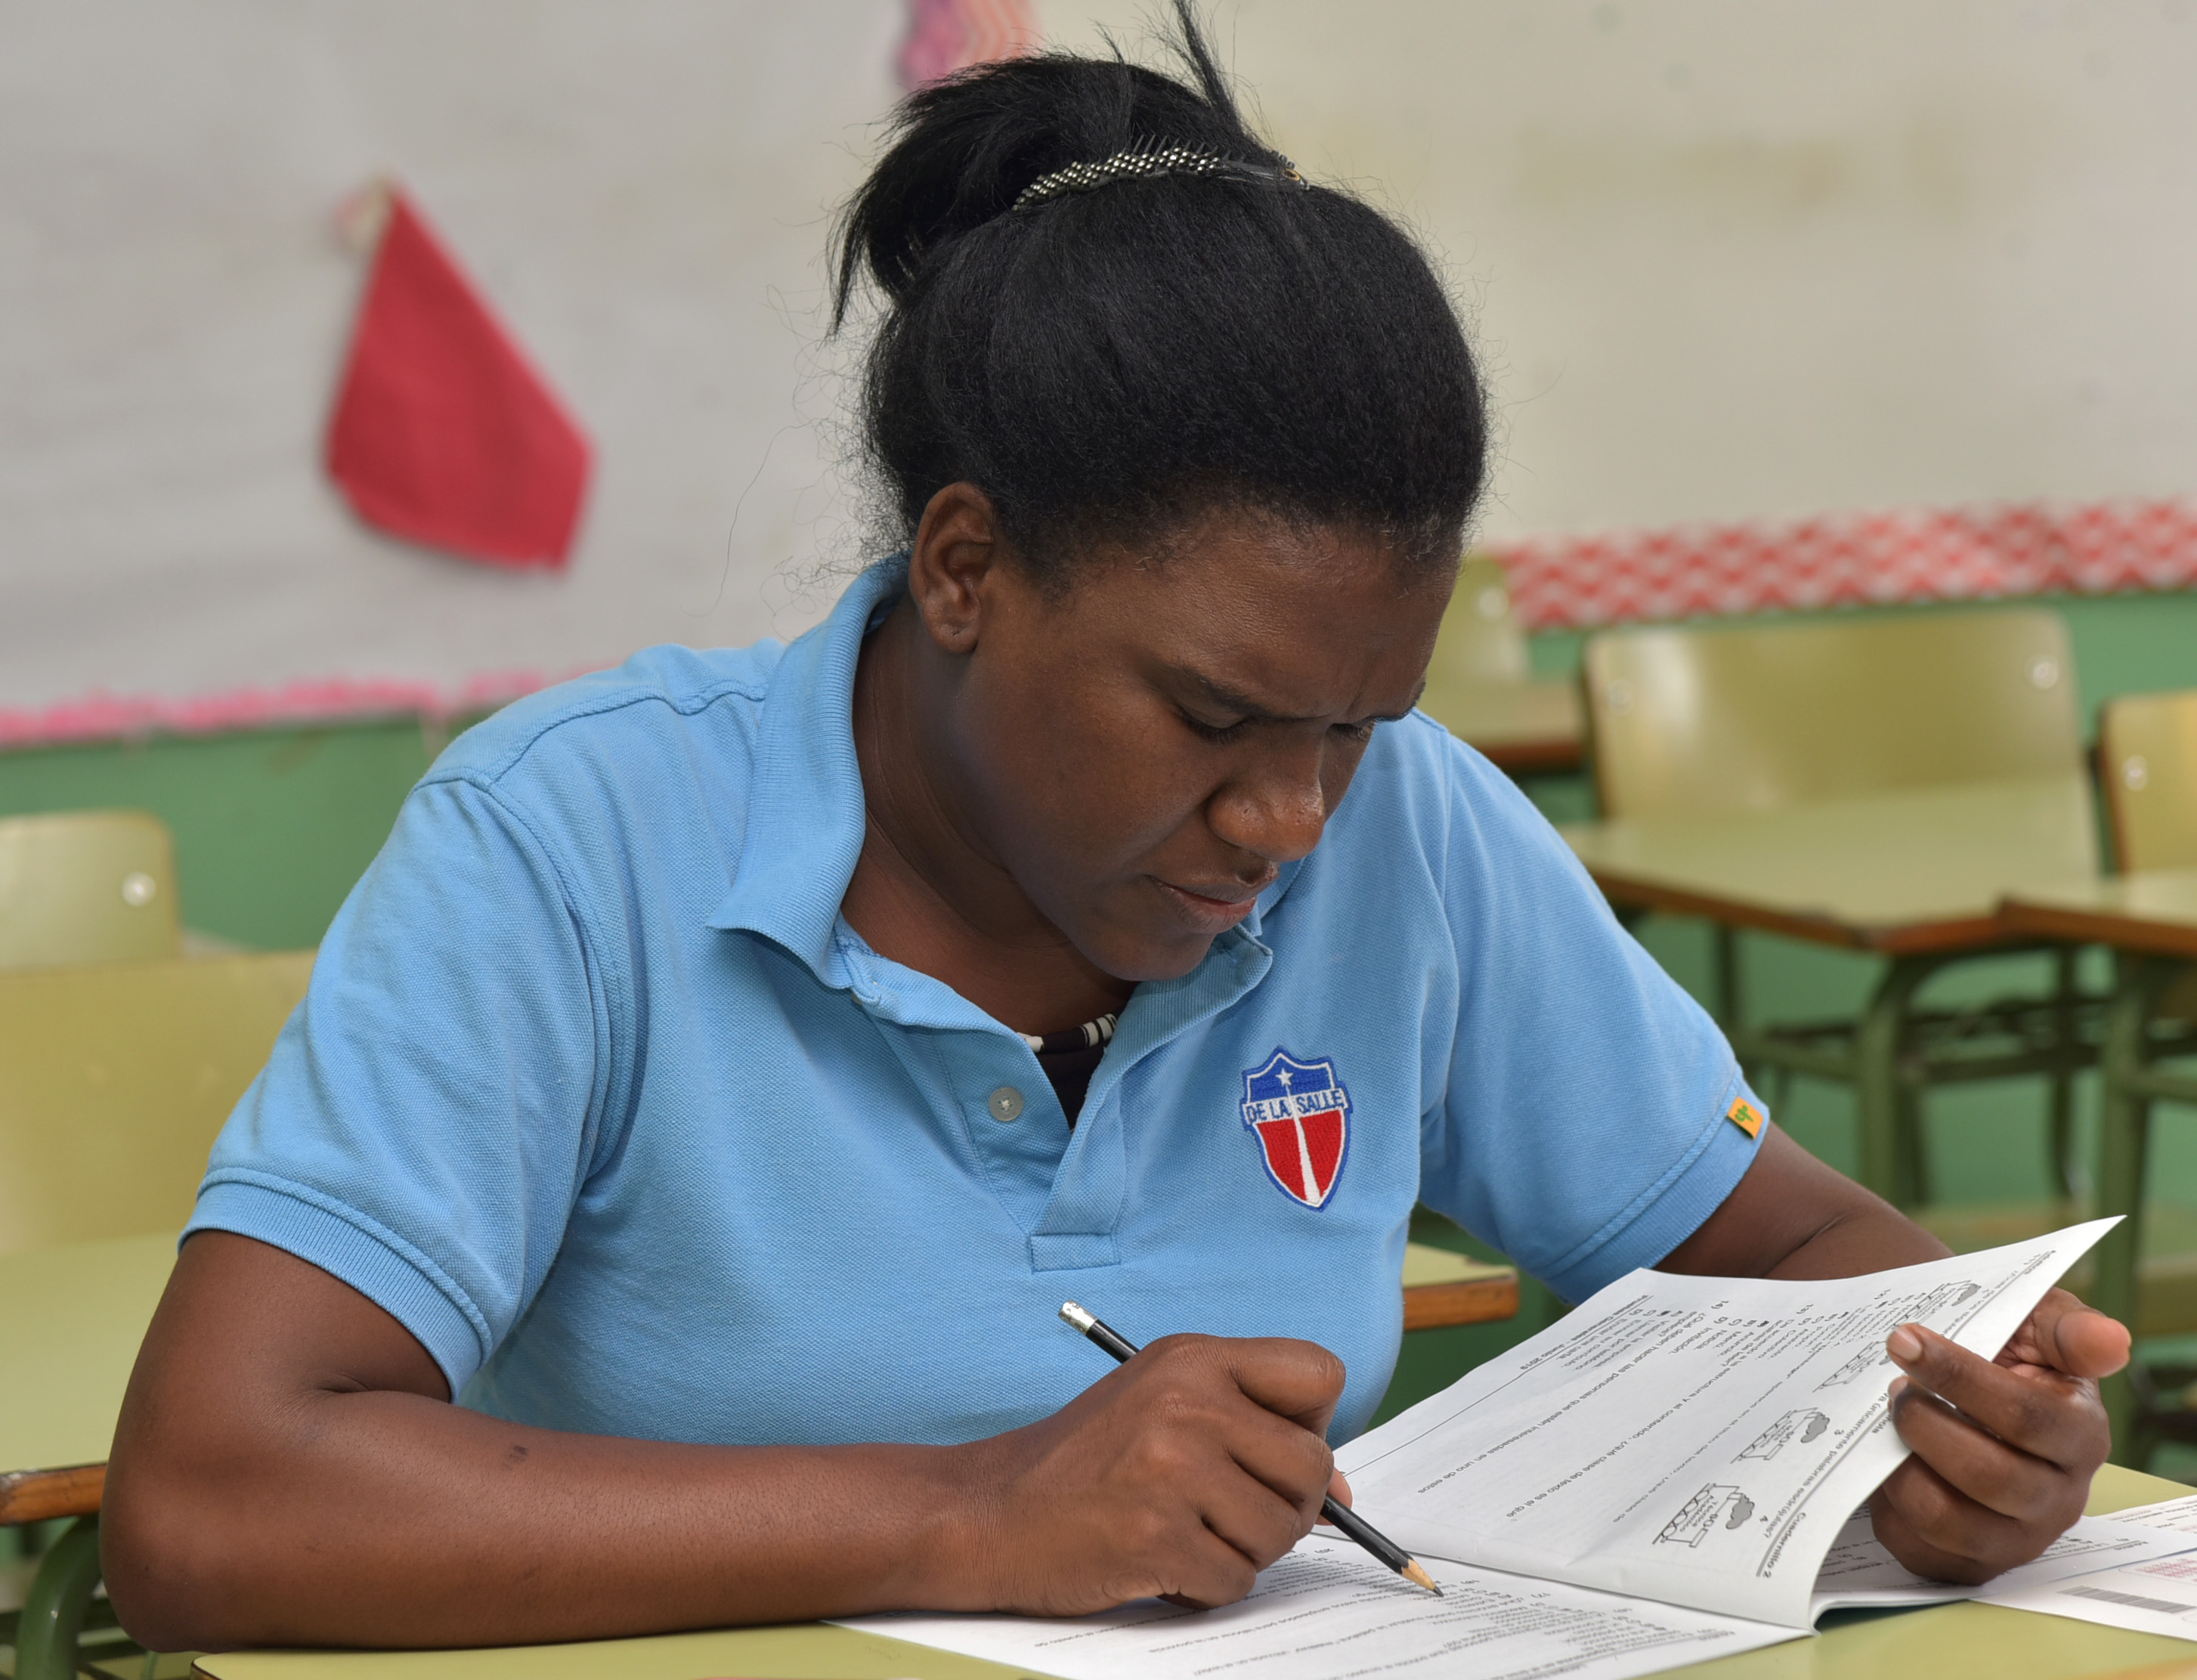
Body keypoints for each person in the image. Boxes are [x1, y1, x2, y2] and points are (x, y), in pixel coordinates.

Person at [104, 5, 2128, 1652]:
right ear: (968, 568)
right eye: (1211, 717)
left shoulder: (1396, 832)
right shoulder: (579, 844)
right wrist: (972, 1505)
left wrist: (1945, 1420)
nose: (1288, 815)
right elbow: (213, 1500)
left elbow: (1786, 1248)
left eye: (1355, 722)